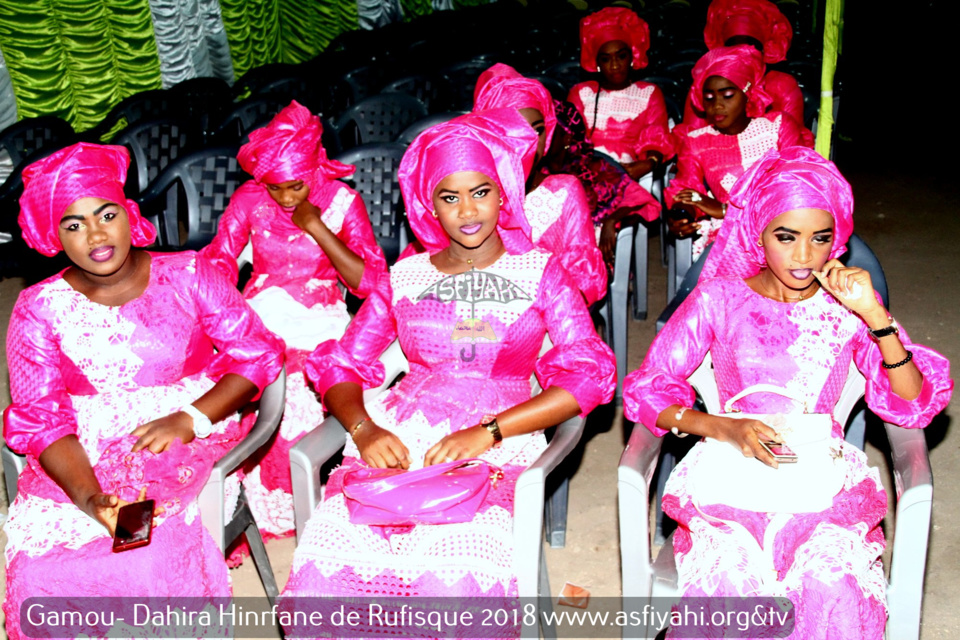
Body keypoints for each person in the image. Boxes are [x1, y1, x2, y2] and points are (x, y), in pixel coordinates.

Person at [280, 110, 616, 637]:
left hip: (499, 436)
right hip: (400, 433)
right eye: (449, 197)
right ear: (428, 204)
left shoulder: (541, 272)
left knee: (452, 584)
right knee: (329, 576)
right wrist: (364, 428)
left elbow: (588, 373)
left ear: (504, 192)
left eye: (480, 192)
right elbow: (342, 363)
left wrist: (489, 432)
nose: (467, 212)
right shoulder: (405, 276)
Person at [623, 147, 952, 639]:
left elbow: (912, 404)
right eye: (786, 237)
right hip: (730, 481)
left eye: (820, 239)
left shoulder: (847, 307)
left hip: (820, 484)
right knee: (728, 585)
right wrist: (721, 427)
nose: (804, 256)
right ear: (759, 233)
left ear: (835, 239)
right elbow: (648, 389)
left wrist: (876, 317)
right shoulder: (719, 298)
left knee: (833, 584)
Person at [3, 143, 284, 639]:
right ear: (52, 235)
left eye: (105, 214)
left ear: (128, 214)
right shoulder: (36, 308)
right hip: (82, 456)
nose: (95, 234)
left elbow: (257, 354)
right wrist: (92, 500)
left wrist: (191, 418)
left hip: (183, 439)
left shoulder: (190, 274)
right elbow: (43, 419)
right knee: (38, 575)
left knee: (144, 554)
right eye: (72, 224)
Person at [200, 100, 387, 542]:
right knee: (227, 390)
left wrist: (317, 226)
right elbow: (220, 262)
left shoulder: (342, 201)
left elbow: (369, 283)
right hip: (261, 312)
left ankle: (306, 503)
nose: (284, 198)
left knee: (300, 405)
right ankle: (245, 505)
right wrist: (219, 315)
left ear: (314, 168)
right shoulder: (251, 198)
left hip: (320, 319)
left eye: (295, 186)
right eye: (274, 187)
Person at [473, 62, 607, 305]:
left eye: (537, 130)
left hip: (549, 311)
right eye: (514, 131)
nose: (529, 142)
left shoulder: (563, 191)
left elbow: (583, 271)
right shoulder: (470, 196)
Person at [665, 45, 809, 259]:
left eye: (728, 95)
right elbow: (687, 188)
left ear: (747, 93)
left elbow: (795, 185)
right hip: (727, 234)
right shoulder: (697, 140)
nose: (717, 106)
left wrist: (725, 210)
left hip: (782, 229)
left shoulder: (778, 126)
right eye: (709, 98)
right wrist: (681, 215)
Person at [541, 99, 661, 268]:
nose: (540, 138)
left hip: (580, 257)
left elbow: (638, 198)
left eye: (550, 131)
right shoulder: (532, 170)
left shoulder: (593, 168)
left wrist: (611, 221)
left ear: (566, 139)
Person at [680, 0, 815, 147]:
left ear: (762, 52)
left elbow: (793, 145)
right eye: (734, 50)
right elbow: (691, 141)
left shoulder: (782, 85)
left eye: (750, 50)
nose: (743, 56)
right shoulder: (706, 84)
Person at [568, 7, 677, 187]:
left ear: (632, 57)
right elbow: (570, 140)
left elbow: (656, 139)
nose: (615, 65)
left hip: (630, 174)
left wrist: (648, 164)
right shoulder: (581, 92)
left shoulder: (649, 92)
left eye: (621, 56)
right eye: (606, 59)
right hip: (585, 173)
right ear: (597, 63)